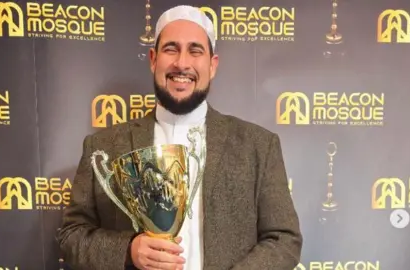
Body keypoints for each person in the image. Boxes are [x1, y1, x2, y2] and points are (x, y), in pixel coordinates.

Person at [57, 5, 302, 270]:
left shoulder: (258, 146)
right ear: (153, 59)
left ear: (212, 64)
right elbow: (72, 237)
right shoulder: (103, 147)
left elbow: (284, 239)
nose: (182, 63)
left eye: (195, 50)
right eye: (171, 49)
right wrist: (129, 250)